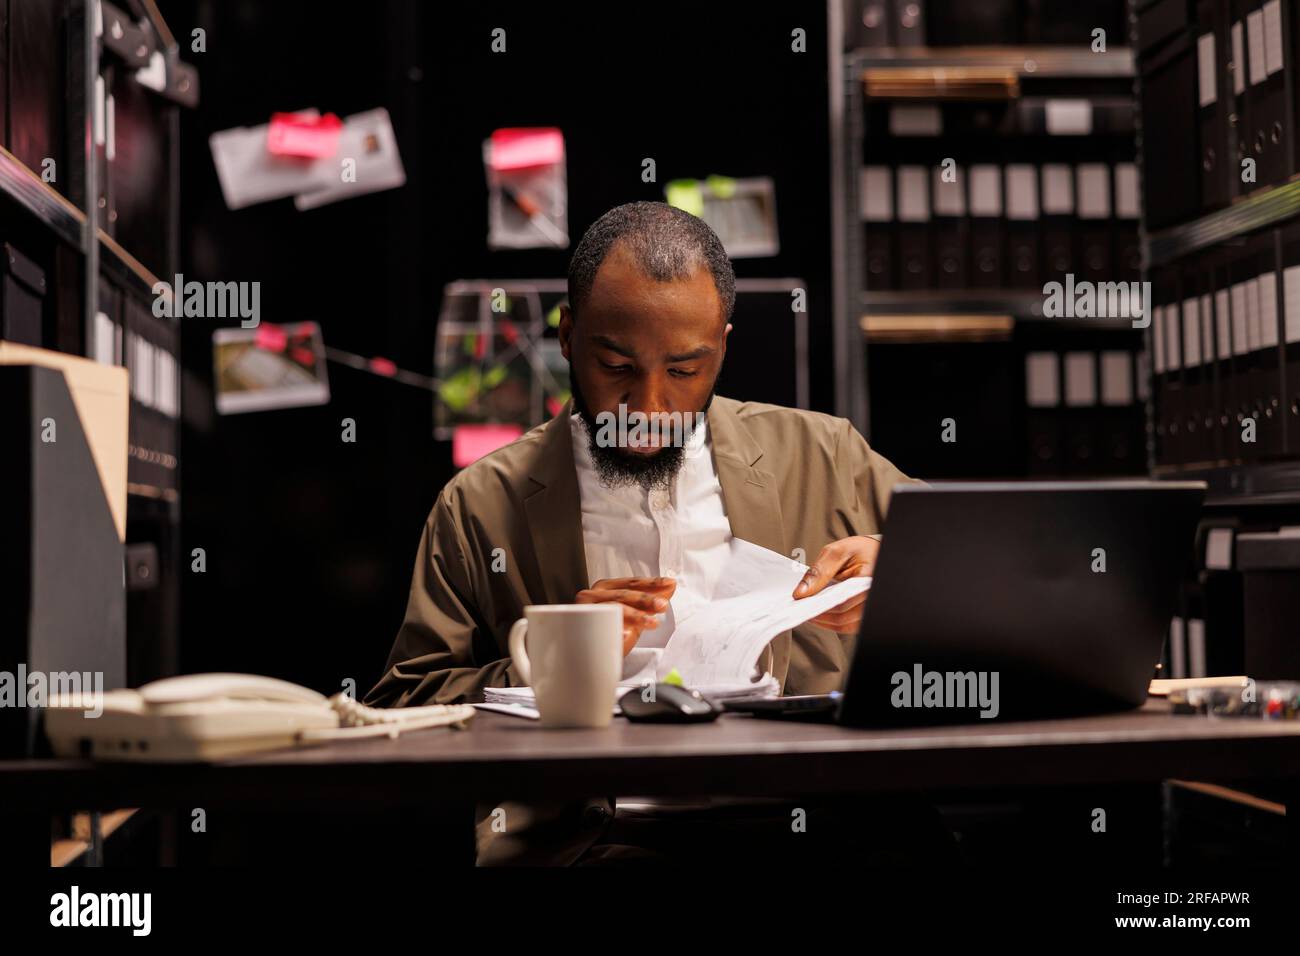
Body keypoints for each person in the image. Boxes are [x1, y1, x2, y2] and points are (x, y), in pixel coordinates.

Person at [364, 201, 953, 865]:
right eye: (616, 366)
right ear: (566, 335)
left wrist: (905, 583)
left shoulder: (826, 457)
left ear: (723, 346)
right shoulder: (481, 505)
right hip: (595, 840)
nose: (648, 409)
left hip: (812, 823)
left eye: (683, 371)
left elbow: (998, 589)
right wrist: (549, 667)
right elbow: (401, 705)